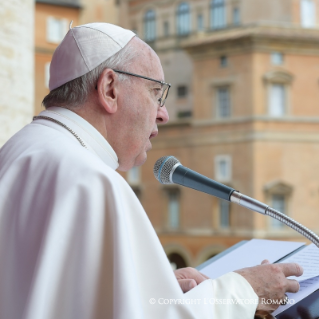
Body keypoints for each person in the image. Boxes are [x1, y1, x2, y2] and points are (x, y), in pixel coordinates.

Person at [0, 23, 302, 319]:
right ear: (109, 89)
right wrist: (243, 291)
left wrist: (151, 288)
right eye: (156, 93)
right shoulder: (94, 181)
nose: (164, 114)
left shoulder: (17, 151)